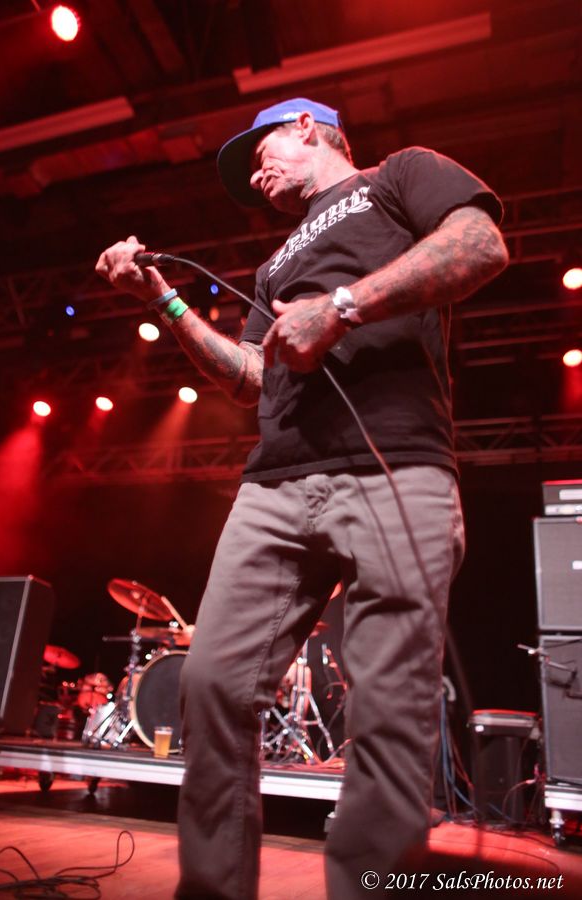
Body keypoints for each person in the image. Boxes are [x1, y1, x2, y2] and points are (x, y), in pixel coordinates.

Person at [96, 97, 508, 899]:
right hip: (275, 486)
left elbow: (480, 243)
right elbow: (250, 376)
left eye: (261, 156)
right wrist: (162, 299)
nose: (256, 178)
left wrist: (344, 308)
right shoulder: (272, 266)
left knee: (388, 709)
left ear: (308, 129)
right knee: (212, 683)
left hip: (395, 464)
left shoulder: (398, 176)